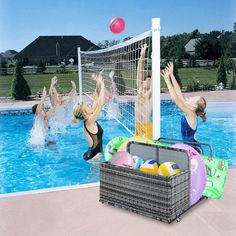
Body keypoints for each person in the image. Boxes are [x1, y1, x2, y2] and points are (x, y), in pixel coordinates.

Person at [161, 62, 207, 154]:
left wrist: (167, 80)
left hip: (194, 150)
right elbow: (178, 92)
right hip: (189, 148)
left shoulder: (191, 114)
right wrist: (171, 75)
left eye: (192, 98)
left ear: (194, 106)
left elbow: (175, 98)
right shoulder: (189, 109)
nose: (189, 98)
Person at [72, 73, 105, 161]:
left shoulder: (90, 116)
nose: (90, 105)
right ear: (84, 113)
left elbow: (97, 99)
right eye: (87, 106)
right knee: (94, 175)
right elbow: (101, 104)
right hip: (94, 156)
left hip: (93, 153)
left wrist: (98, 82)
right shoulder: (89, 121)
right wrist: (102, 84)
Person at [135, 43, 152, 138]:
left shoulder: (151, 92)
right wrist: (142, 55)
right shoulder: (140, 88)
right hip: (138, 126)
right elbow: (140, 71)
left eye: (150, 80)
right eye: (146, 79)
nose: (147, 81)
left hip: (146, 127)